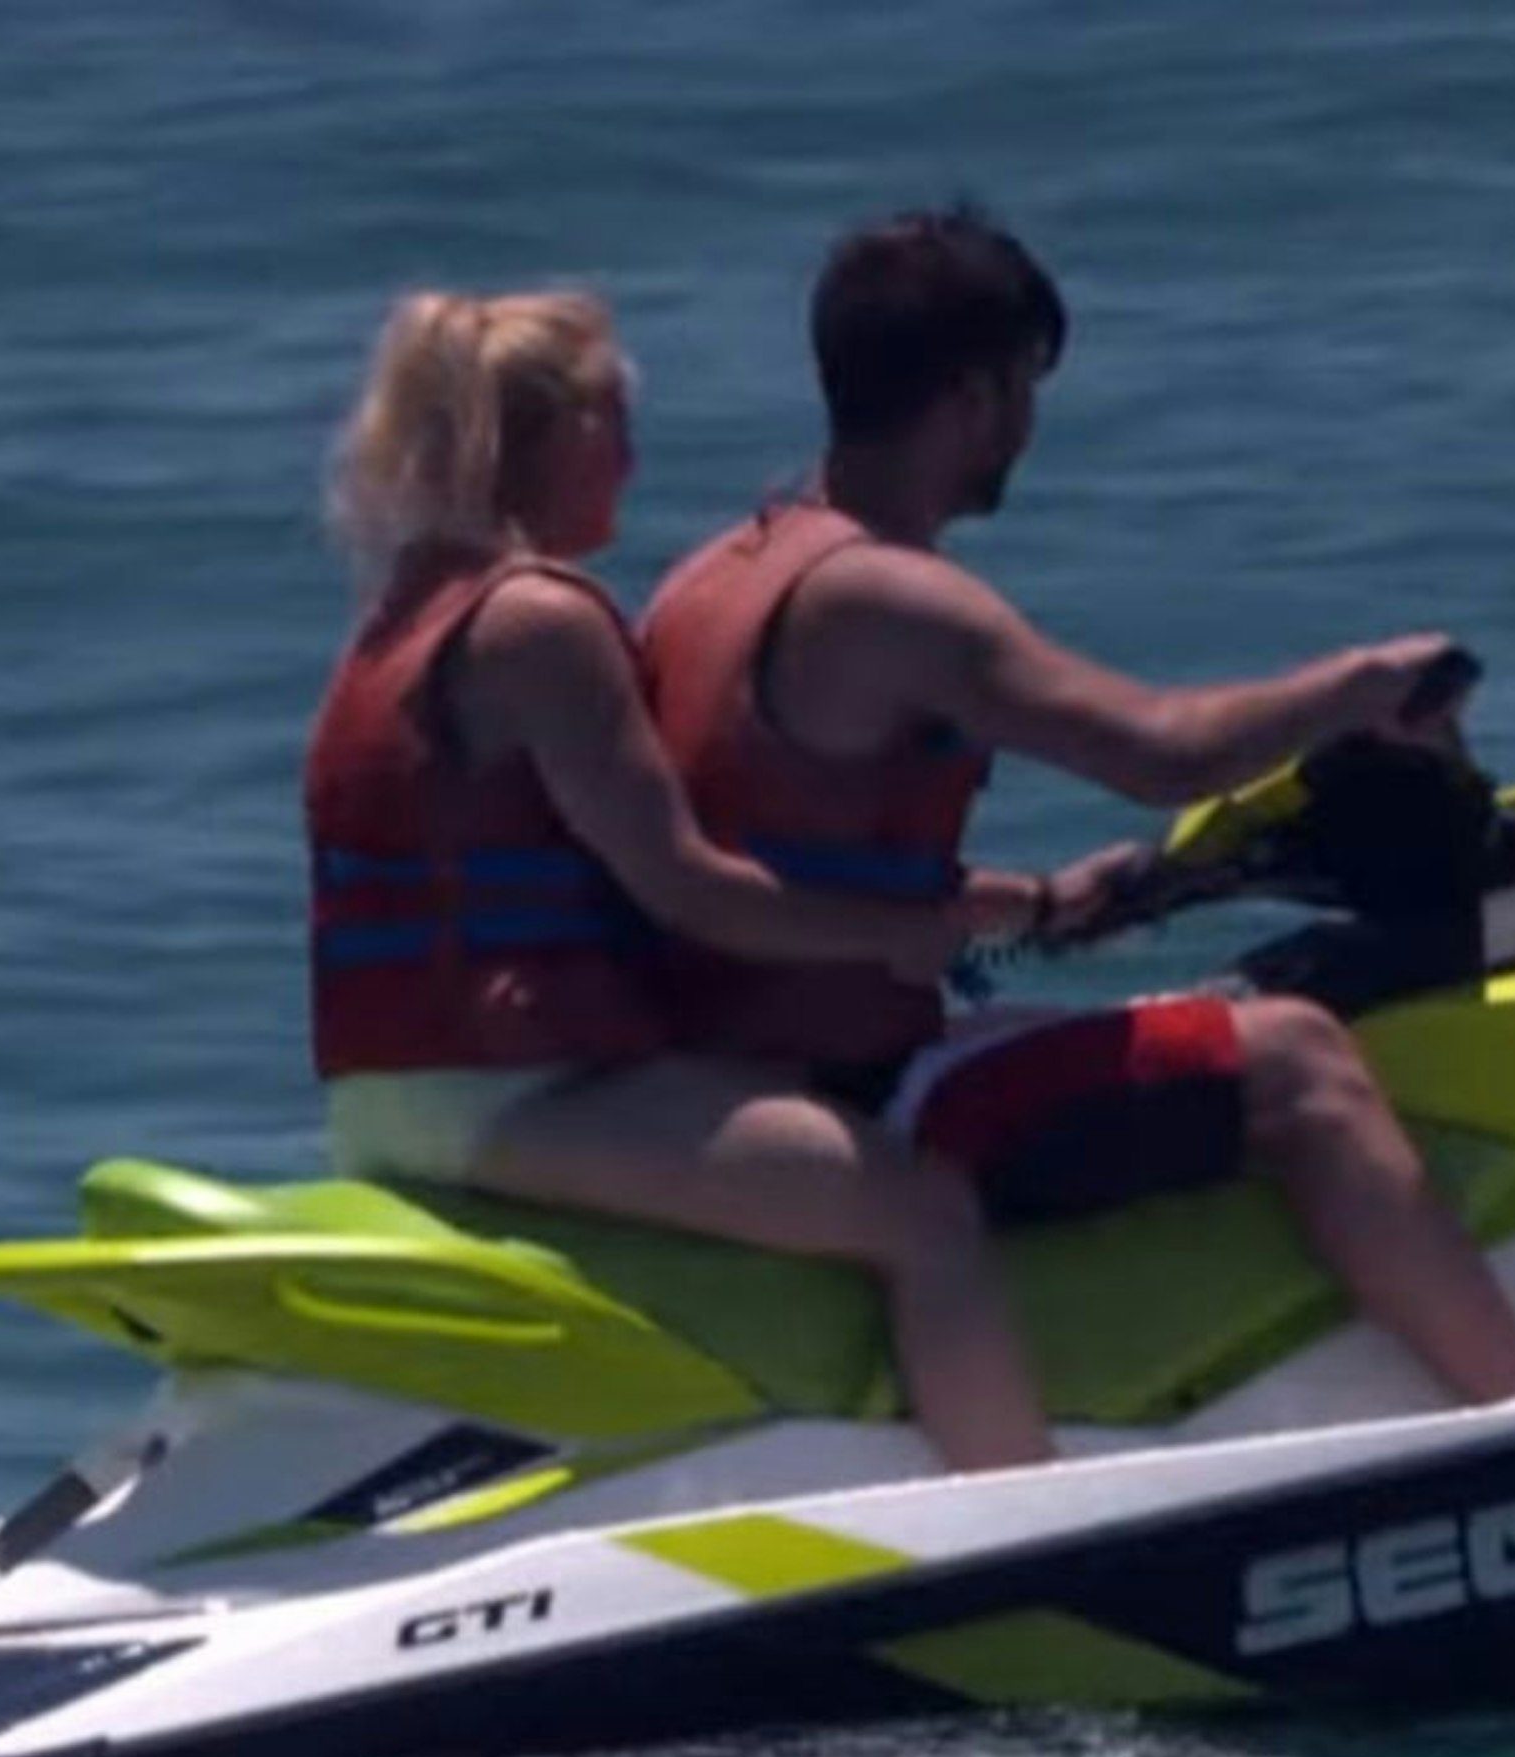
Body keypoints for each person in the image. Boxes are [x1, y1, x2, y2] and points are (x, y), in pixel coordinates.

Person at [639, 207, 1515, 1405]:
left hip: (737, 1060)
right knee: (1298, 1055)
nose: (1026, 423)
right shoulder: (889, 601)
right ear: (973, 396)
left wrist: (1030, 905)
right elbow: (1159, 752)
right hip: (854, 1084)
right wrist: (1360, 686)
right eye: (1025, 384)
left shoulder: (715, 574)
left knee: (1195, 1012)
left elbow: (789, 861)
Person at [306, 287, 1063, 1472]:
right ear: (549, 436)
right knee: (923, 1214)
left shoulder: (403, 612)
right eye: (616, 421)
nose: (634, 456)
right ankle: (1025, 1521)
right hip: (512, 1093)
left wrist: (971, 902)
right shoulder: (539, 624)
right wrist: (898, 930)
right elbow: (689, 890)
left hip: (393, 1089)